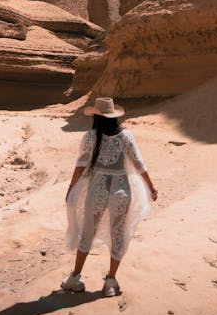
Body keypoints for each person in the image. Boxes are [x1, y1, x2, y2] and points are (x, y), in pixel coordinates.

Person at [62, 96, 158, 296]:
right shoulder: (126, 136)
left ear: (96, 116)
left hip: (97, 190)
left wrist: (71, 188)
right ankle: (110, 283)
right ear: (114, 116)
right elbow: (139, 163)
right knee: (118, 235)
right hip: (121, 191)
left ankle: (74, 278)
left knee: (87, 232)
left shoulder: (90, 136)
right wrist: (151, 186)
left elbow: (80, 166)